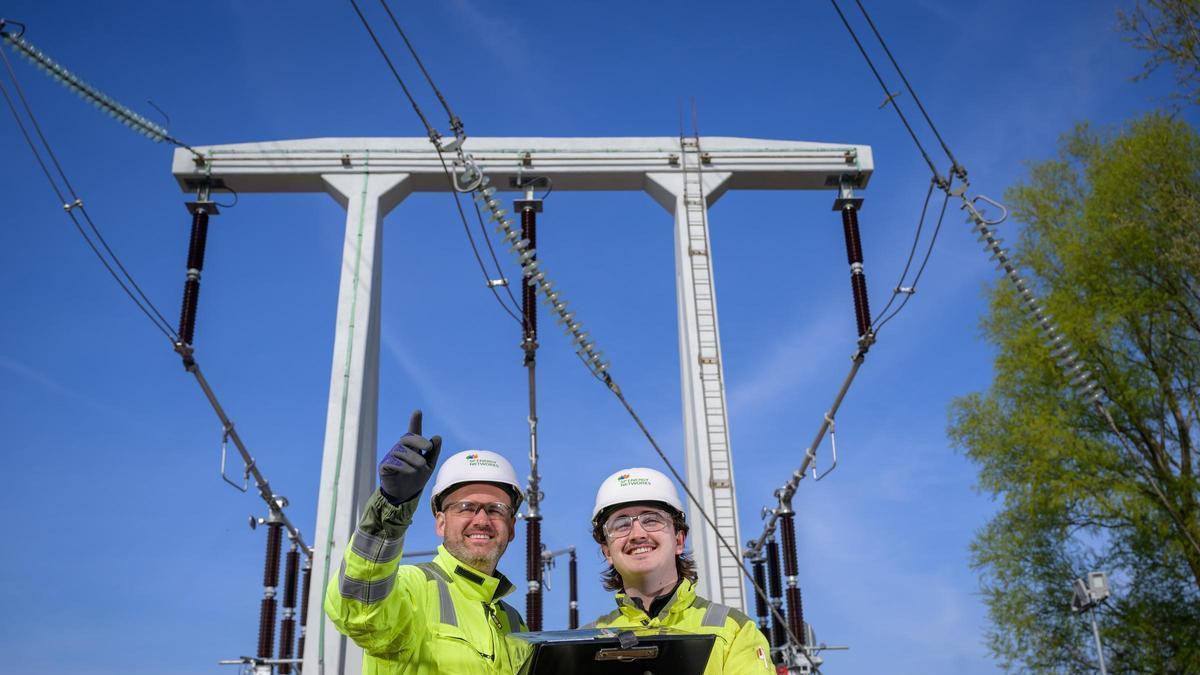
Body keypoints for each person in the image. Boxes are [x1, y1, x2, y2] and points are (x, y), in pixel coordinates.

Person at [325, 410, 530, 674]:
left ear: (511, 526)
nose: (482, 520)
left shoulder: (514, 624)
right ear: (441, 522)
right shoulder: (411, 589)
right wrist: (391, 507)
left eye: (496, 509)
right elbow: (357, 611)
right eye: (466, 507)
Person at [585, 467, 775, 674]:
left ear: (679, 540)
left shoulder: (733, 630)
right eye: (621, 525)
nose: (637, 534)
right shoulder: (583, 642)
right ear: (607, 552)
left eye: (651, 520)